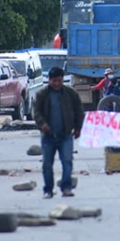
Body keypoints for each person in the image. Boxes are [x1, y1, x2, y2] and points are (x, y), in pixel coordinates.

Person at [33, 67, 84, 199]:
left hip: (65, 135)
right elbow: (36, 112)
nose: (57, 84)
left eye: (59, 81)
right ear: (49, 80)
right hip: (48, 136)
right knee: (47, 164)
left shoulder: (70, 93)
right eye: (54, 81)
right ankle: (48, 190)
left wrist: (78, 127)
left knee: (67, 162)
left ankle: (66, 188)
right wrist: (42, 124)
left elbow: (79, 110)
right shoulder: (41, 94)